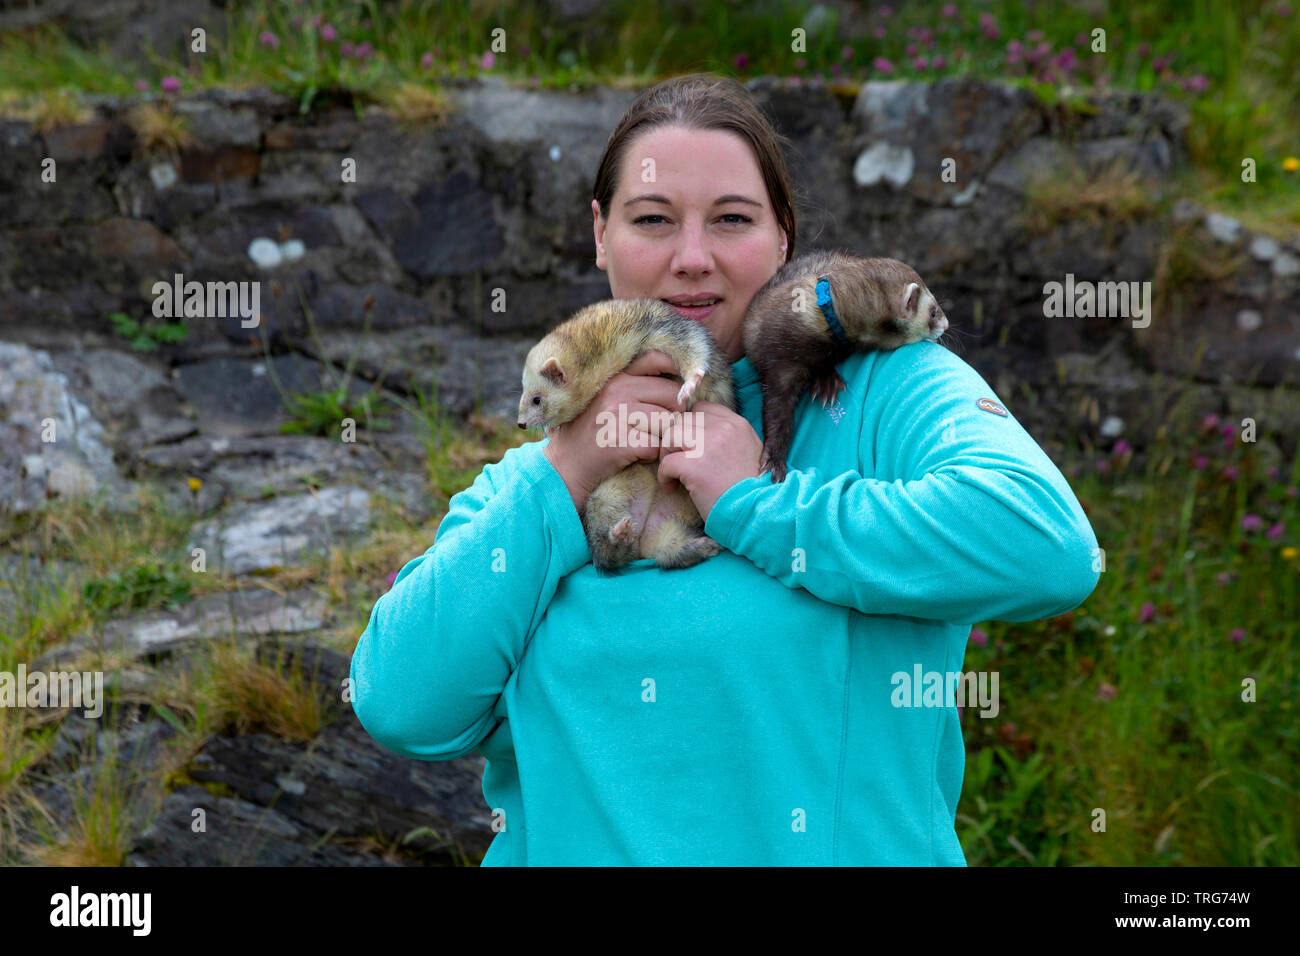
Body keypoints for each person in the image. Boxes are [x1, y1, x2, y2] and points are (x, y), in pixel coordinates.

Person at [349, 73, 1100, 866]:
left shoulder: (879, 389)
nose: (693, 259)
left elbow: (1049, 546)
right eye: (653, 220)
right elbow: (401, 707)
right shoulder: (529, 483)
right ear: (601, 233)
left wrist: (755, 502)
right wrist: (569, 469)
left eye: (732, 220)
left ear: (782, 237)